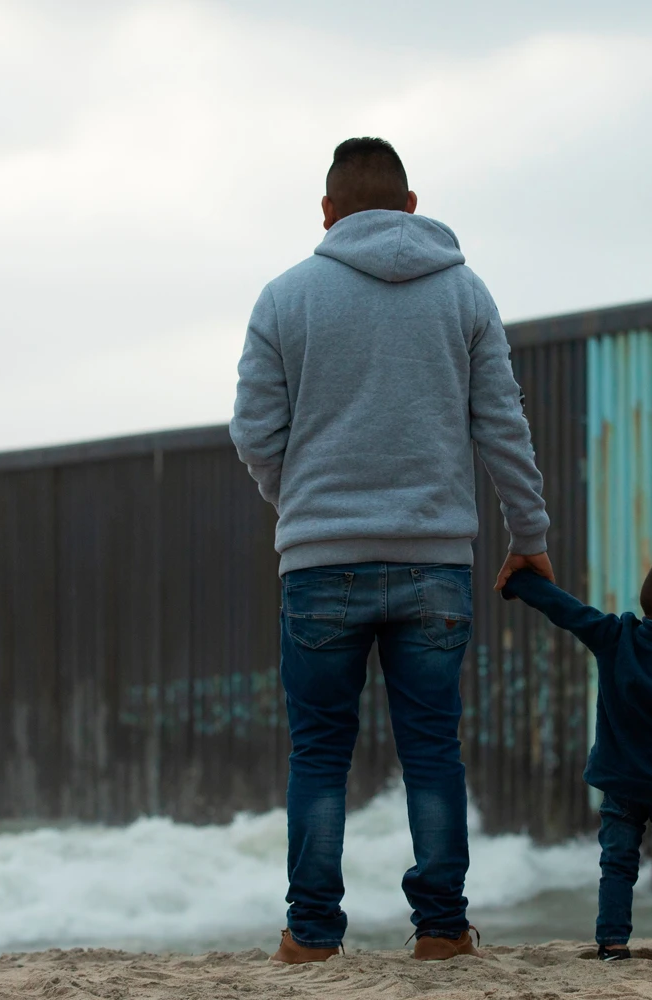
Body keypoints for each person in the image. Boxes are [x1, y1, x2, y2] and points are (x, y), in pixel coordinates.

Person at [230, 137, 553, 964]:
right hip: (435, 563)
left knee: (320, 755)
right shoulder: (465, 294)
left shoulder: (285, 297)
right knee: (432, 750)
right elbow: (503, 429)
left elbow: (255, 434)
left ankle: (311, 937)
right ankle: (443, 931)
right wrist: (531, 535)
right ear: (412, 206)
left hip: (318, 564)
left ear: (328, 213)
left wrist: (299, 507)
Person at [500, 553, 652, 972]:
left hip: (621, 786)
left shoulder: (617, 637)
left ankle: (612, 945)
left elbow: (568, 611)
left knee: (616, 865)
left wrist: (522, 583)